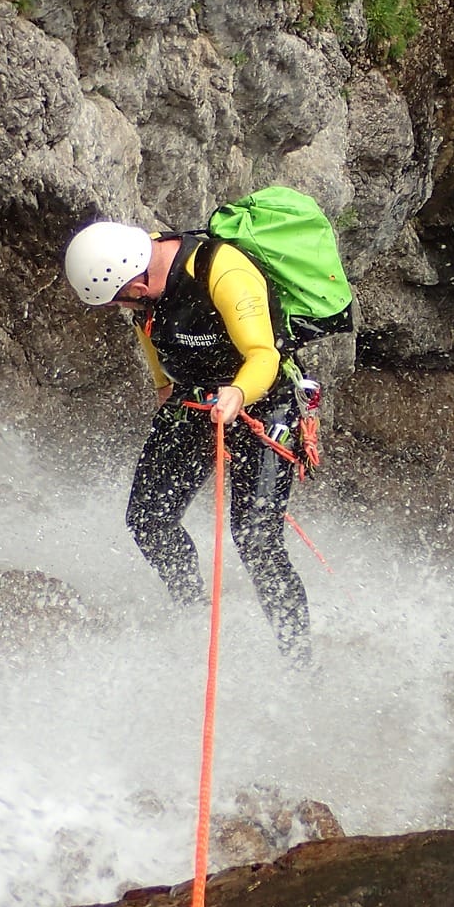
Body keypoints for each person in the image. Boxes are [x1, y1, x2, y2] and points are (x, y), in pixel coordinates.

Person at [64, 220, 310, 664]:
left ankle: (299, 658)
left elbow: (263, 354)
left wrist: (237, 394)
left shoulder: (221, 270)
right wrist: (163, 386)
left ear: (136, 282)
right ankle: (192, 612)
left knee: (257, 539)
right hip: (193, 401)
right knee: (148, 520)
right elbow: (150, 330)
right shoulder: (144, 287)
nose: (123, 308)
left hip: (263, 401)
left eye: (122, 299)